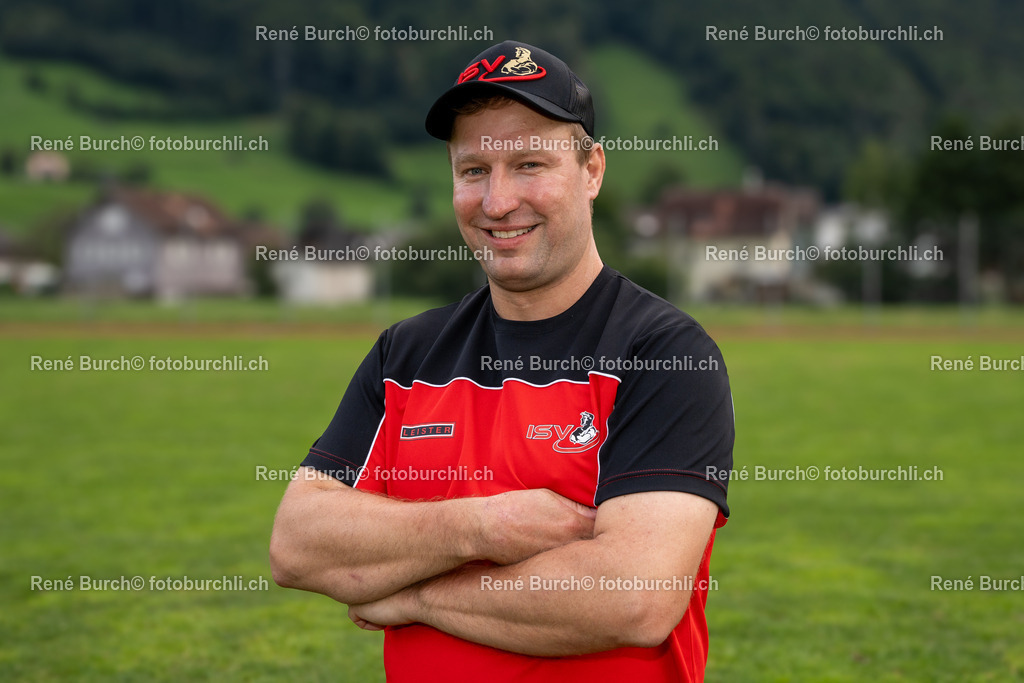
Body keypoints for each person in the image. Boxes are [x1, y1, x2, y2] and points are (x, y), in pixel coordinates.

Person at [269, 40, 734, 682]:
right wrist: (483, 527)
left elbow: (633, 595)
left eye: (529, 165)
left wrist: (411, 595)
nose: (497, 202)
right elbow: (298, 544)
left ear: (592, 170)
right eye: (473, 171)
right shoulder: (405, 355)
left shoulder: (665, 355)